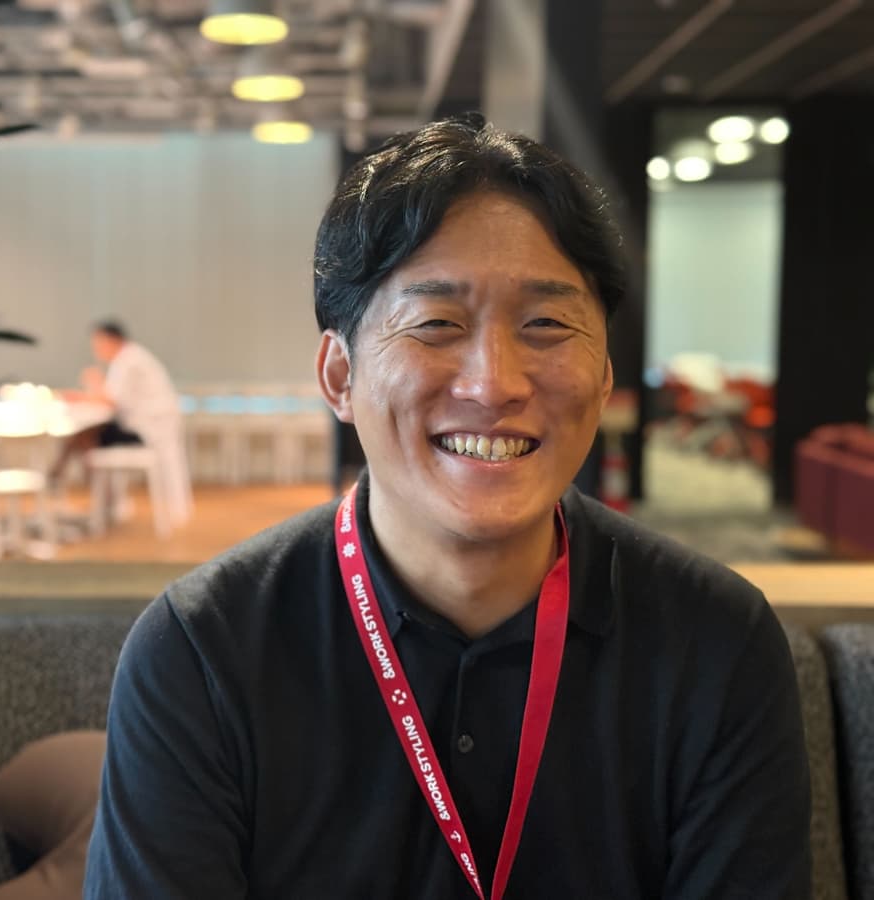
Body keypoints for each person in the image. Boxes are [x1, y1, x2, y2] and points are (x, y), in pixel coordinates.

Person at [83, 114, 810, 898]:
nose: (493, 383)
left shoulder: (717, 643)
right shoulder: (204, 650)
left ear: (603, 376)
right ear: (339, 376)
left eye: (546, 324)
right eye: (436, 324)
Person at [48, 320, 181, 483]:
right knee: (81, 436)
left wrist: (92, 386)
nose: (96, 349)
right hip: (145, 427)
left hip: (141, 431)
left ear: (111, 339)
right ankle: (66, 480)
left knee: (83, 436)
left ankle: (63, 480)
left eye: (98, 343)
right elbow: (112, 398)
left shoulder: (128, 360)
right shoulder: (131, 357)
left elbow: (111, 402)